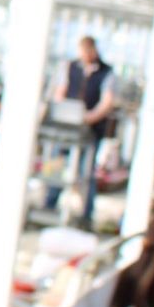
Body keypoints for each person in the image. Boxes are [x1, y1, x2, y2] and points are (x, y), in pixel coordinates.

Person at [57, 35, 117, 226]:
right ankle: (51, 203)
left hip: (92, 130)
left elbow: (107, 102)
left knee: (88, 171)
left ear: (93, 51)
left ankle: (86, 213)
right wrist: (64, 113)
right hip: (69, 127)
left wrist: (90, 118)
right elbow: (60, 92)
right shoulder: (71, 67)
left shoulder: (106, 72)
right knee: (61, 167)